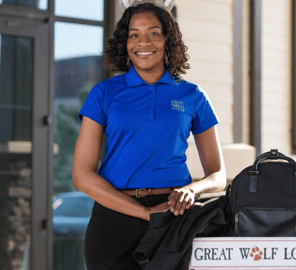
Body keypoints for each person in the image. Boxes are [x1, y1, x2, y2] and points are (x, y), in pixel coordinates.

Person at [71, 2, 226, 269]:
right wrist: (144, 212)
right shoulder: (104, 93)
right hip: (113, 218)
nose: (143, 42)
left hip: (172, 217)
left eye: (153, 33)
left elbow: (218, 175)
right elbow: (81, 176)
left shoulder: (192, 95)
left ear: (168, 40)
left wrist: (191, 190)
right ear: (125, 42)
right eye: (134, 34)